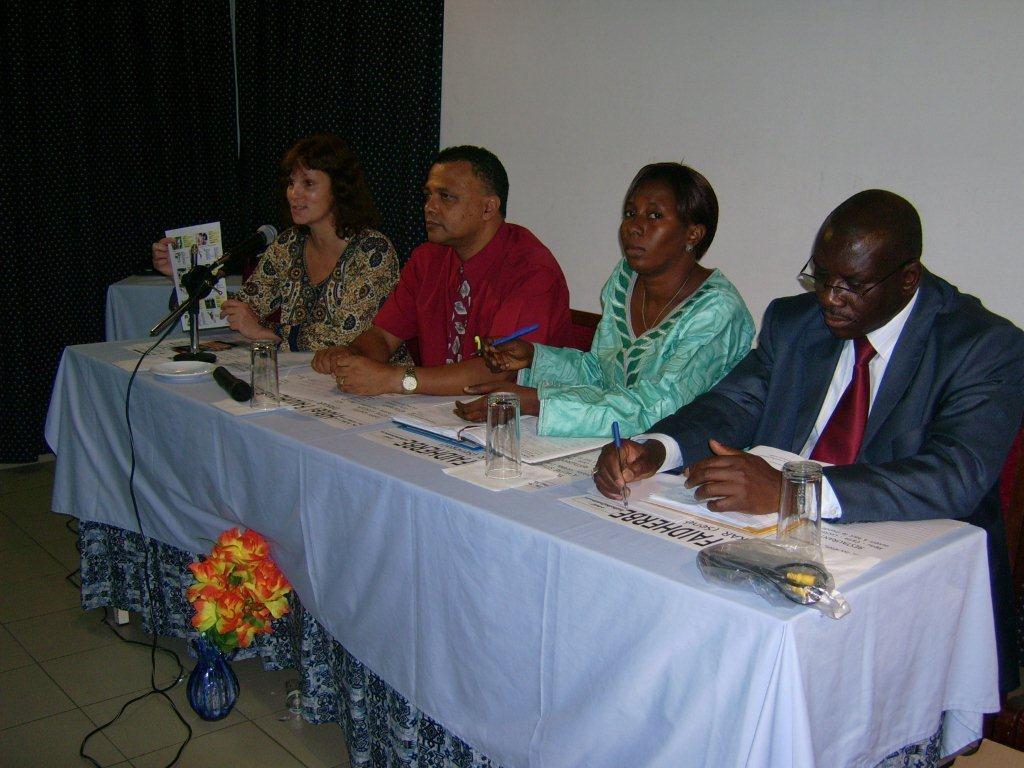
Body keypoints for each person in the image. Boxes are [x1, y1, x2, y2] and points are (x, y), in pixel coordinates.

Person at [594, 189, 1024, 691]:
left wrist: (791, 491)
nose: (827, 297)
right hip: (780, 552)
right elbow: (735, 404)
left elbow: (956, 476)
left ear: (909, 279)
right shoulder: (796, 323)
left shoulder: (983, 346)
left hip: (907, 574)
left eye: (850, 285)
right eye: (819, 276)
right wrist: (655, 448)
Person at [453, 162, 754, 437]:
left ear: (693, 234)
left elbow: (661, 408)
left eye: (654, 216)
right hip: (615, 444)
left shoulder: (718, 310)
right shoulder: (625, 281)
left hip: (680, 462)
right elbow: (601, 374)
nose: (633, 227)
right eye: (630, 213)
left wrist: (538, 403)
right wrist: (534, 356)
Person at [311, 145, 573, 395]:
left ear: (488, 207)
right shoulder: (428, 259)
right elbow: (383, 336)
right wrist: (351, 355)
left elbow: (497, 370)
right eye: (428, 196)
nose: (430, 207)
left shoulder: (532, 270)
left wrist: (396, 379)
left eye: (446, 197)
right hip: (435, 410)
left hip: (512, 420)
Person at [152, 133, 401, 351]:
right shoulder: (289, 243)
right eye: (291, 183)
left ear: (339, 189)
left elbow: (347, 337)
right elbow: (245, 307)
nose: (294, 194)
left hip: (372, 386)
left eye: (308, 183)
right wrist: (187, 277)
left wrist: (265, 332)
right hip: (306, 378)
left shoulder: (372, 251)